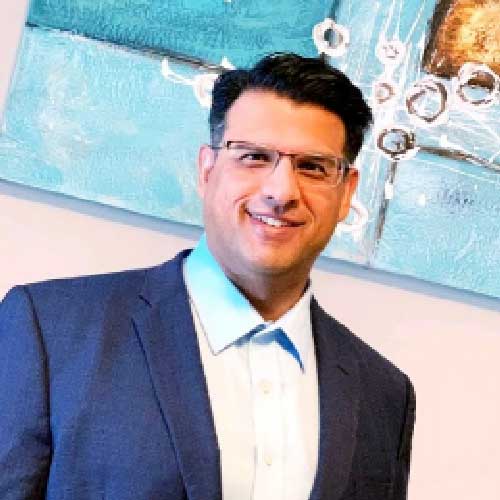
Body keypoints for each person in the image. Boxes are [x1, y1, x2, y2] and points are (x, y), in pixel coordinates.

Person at [0, 53, 415, 500]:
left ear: (346, 192)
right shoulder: (50, 332)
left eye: (313, 167)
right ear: (207, 170)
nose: (281, 192)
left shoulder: (385, 395)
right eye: (254, 157)